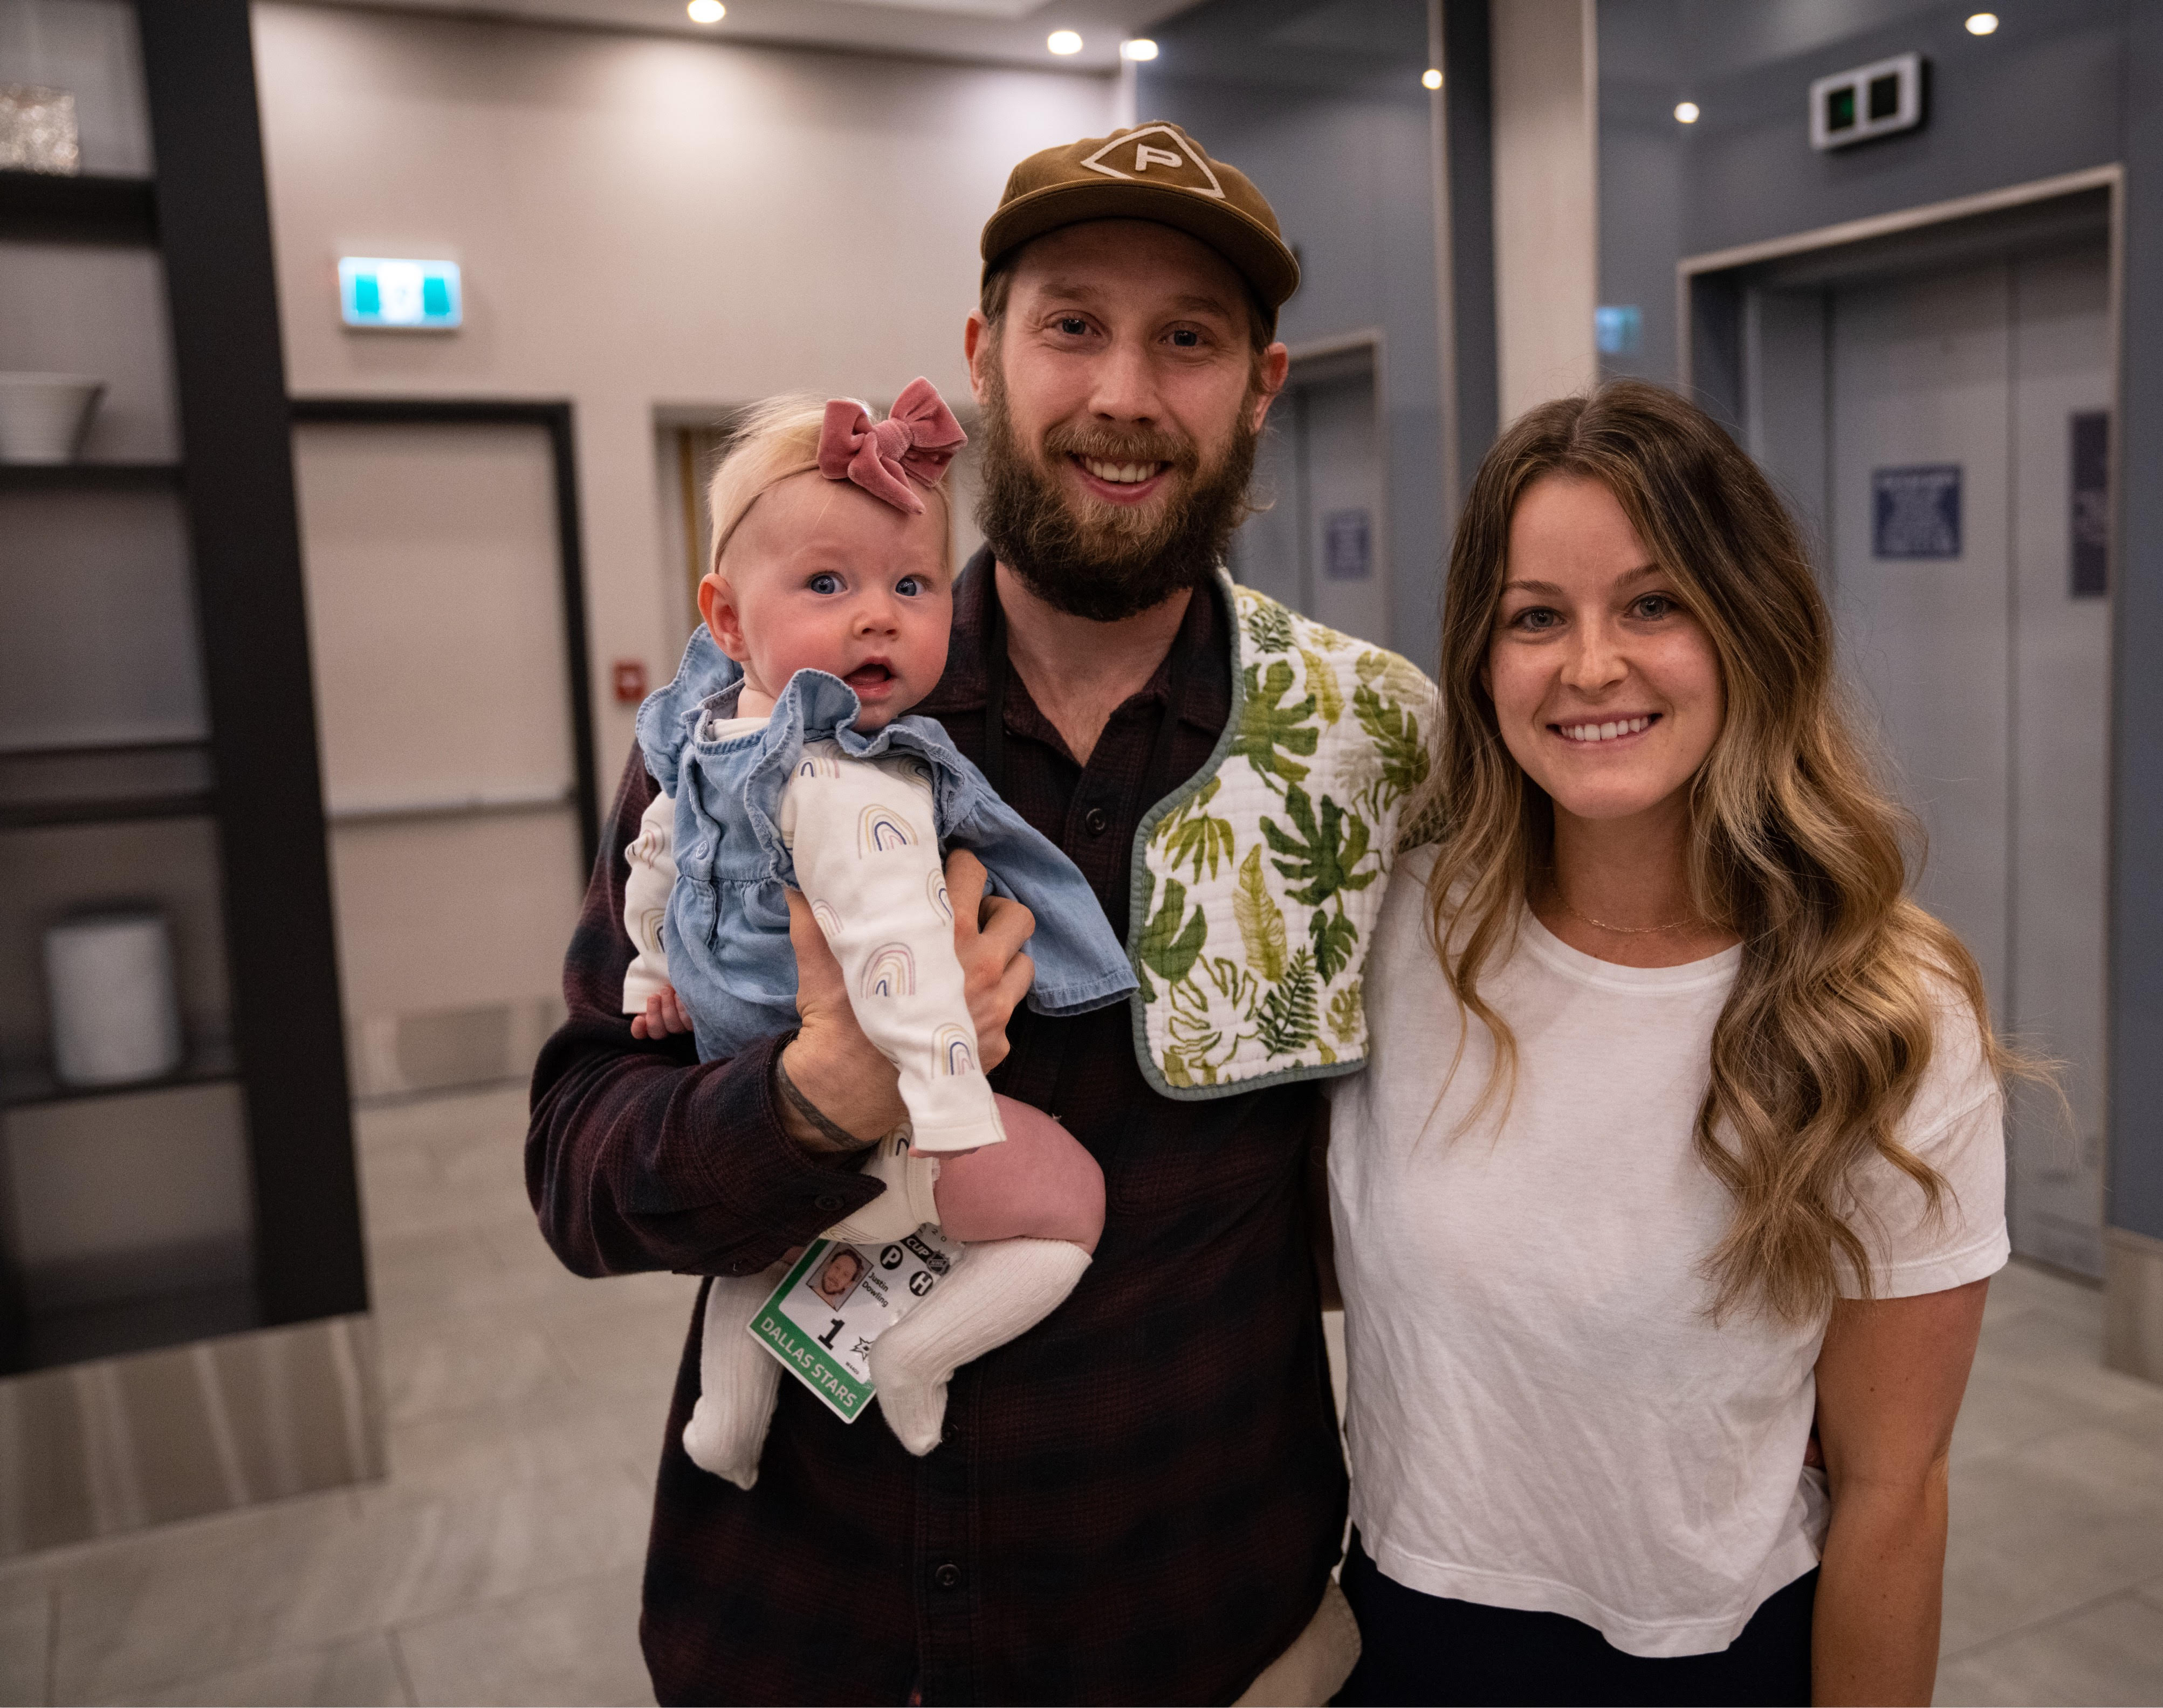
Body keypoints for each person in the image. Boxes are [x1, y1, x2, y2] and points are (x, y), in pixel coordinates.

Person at [525, 121, 1436, 1705]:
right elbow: (581, 1166)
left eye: (1191, 340)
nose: (1126, 394)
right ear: (986, 355)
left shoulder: (1368, 740)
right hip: (805, 1640)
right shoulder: (768, 727)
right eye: (1072, 323)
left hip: (1214, 1637)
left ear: (1264, 386)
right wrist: (809, 1102)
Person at [1326, 380, 2016, 1707]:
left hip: (1707, 1666)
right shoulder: (1403, 931)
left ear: (1750, 627)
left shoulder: (1884, 1009)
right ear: (1483, 658)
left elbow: (1891, 1490)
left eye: (1655, 603)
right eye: (1538, 617)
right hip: (1402, 1639)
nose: (1592, 667)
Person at [619, 381, 1136, 1483]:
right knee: (1070, 1208)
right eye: (826, 583)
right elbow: (901, 948)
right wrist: (940, 1098)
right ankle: (916, 1355)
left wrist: (651, 973)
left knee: (762, 1250)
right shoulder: (859, 776)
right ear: (723, 617)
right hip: (900, 1134)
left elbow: (658, 862)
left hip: (737, 1083)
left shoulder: (701, 742)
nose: (878, 616)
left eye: (911, 585)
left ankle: (729, 1417)